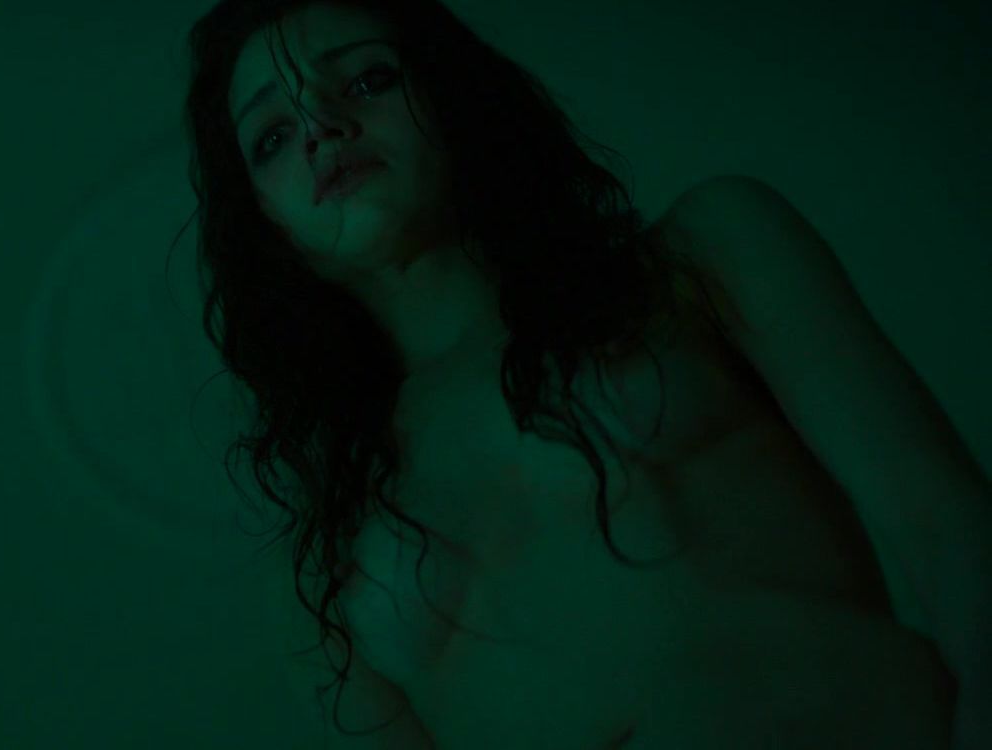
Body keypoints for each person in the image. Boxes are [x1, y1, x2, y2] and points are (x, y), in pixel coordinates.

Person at [181, 0, 958, 746]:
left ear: (454, 93)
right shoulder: (319, 552)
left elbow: (947, 527)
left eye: (366, 80)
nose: (321, 128)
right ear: (263, 221)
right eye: (272, 136)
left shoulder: (701, 260)